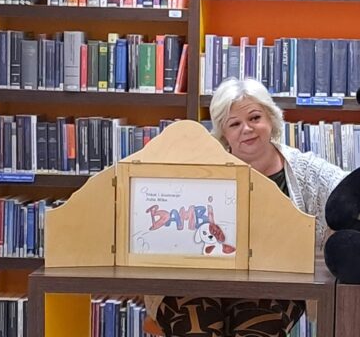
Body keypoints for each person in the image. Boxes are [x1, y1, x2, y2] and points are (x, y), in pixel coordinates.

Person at [147, 77, 347, 337]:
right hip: (196, 282)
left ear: (271, 119)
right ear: (224, 133)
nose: (247, 129)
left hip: (275, 283)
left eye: (255, 118)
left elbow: (351, 190)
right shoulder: (199, 169)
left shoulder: (306, 171)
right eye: (235, 124)